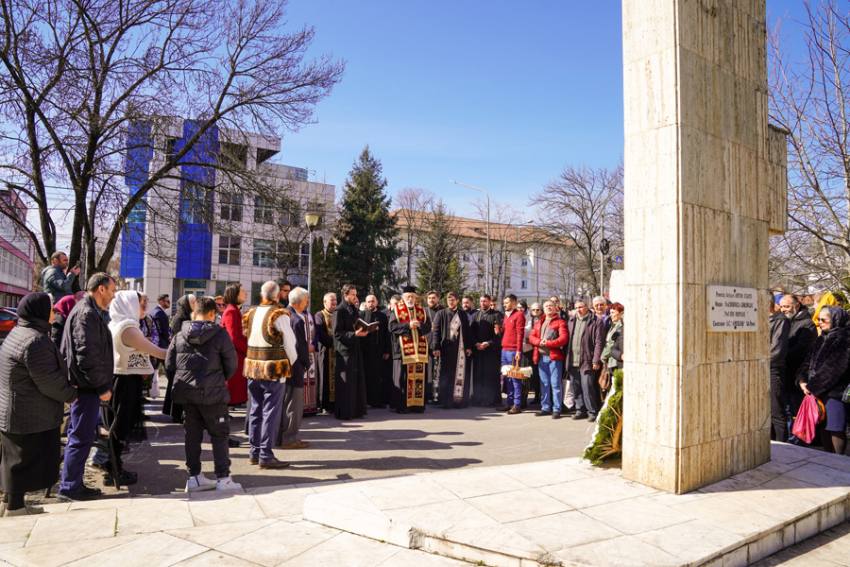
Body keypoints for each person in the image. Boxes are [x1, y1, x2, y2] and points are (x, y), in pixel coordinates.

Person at [0, 293, 77, 516]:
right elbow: (48, 381)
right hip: (29, 413)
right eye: (51, 309)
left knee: (13, 461)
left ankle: (12, 504)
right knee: (23, 463)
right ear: (40, 312)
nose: (55, 312)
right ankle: (15, 509)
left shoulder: (19, 332)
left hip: (15, 410)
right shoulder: (34, 340)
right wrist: (71, 395)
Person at [166, 296, 241, 492]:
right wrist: (219, 379)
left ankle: (194, 477)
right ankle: (223, 478)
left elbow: (169, 365)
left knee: (192, 435)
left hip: (187, 396)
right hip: (213, 394)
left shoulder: (179, 335)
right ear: (211, 314)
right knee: (220, 435)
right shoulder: (220, 334)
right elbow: (231, 363)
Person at [94, 291, 167, 486]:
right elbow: (155, 351)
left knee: (116, 426)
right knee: (120, 427)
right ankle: (113, 469)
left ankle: (113, 467)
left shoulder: (116, 323)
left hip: (120, 379)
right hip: (124, 383)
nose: (144, 308)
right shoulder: (128, 328)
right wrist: (176, 352)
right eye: (141, 304)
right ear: (130, 304)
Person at [58, 273, 116, 502]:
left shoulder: (89, 311)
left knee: (81, 435)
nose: (112, 295)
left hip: (87, 385)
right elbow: (86, 355)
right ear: (100, 289)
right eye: (111, 290)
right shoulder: (86, 314)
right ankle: (70, 487)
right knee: (80, 437)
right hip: (86, 387)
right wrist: (102, 386)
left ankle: (73, 483)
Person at [243, 281, 298, 469]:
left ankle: (254, 451)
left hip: (253, 368)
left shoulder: (251, 313)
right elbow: (290, 343)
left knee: (255, 410)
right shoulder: (278, 314)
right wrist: (291, 361)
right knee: (270, 412)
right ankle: (265, 454)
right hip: (273, 369)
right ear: (276, 296)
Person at [799, 306, 850, 455]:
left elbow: (834, 369)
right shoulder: (822, 338)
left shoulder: (844, 339)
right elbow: (807, 362)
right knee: (823, 426)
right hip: (817, 391)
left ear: (835, 320)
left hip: (835, 392)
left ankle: (839, 461)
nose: (819, 322)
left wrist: (813, 386)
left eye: (823, 320)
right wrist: (802, 379)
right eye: (818, 319)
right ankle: (826, 458)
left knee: (835, 427)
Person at [389, 287, 431, 413]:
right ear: (403, 297)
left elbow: (428, 327)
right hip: (403, 351)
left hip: (419, 351)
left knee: (418, 377)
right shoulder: (396, 310)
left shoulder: (421, 311)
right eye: (408, 297)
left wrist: (420, 326)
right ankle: (403, 406)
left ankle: (417, 405)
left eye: (412, 296)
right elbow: (391, 327)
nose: (410, 299)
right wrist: (408, 325)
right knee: (403, 378)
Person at [278, 287, 311, 449]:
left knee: (284, 402)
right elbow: (300, 347)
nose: (308, 303)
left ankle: (281, 436)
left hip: (283, 365)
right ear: (299, 302)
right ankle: (290, 438)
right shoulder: (296, 320)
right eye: (306, 300)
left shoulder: (284, 314)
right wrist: (306, 363)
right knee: (294, 405)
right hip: (295, 365)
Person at [332, 284, 369, 420]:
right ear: (345, 295)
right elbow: (337, 333)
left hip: (355, 349)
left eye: (355, 294)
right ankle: (345, 412)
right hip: (344, 351)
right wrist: (354, 334)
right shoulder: (339, 310)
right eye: (352, 294)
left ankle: (356, 410)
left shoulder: (353, 309)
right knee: (346, 383)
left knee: (356, 381)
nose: (355, 297)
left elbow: (357, 325)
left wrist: (365, 330)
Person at [431, 292, 472, 408]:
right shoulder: (441, 313)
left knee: (458, 375)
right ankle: (446, 401)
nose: (451, 302)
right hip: (445, 349)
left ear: (457, 301)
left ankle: (458, 401)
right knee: (445, 376)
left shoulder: (462, 314)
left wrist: (468, 347)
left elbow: (467, 332)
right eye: (449, 300)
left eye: (453, 300)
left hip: (460, 350)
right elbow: (436, 332)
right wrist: (436, 347)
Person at [566, 300, 605, 421]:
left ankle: (592, 411)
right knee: (575, 387)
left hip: (587, 360)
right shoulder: (572, 321)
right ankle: (580, 409)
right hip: (573, 359)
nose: (578, 309)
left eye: (581, 307)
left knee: (587, 387)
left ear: (587, 307)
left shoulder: (595, 321)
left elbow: (599, 342)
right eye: (576, 307)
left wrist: (596, 360)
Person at [529, 300, 569, 418]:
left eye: (551, 306)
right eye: (546, 306)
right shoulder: (539, 322)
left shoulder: (560, 322)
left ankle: (557, 409)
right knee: (544, 384)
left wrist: (549, 343)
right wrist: (539, 342)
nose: (548, 308)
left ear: (555, 308)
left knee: (555, 384)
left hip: (554, 358)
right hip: (541, 358)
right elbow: (531, 337)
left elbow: (564, 339)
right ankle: (545, 407)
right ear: (544, 309)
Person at [780, 294, 817, 420]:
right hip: (786, 373)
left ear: (796, 305)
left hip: (798, 376)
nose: (783, 309)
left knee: (796, 412)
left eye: (786, 306)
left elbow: (801, 349)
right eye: (781, 306)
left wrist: (780, 355)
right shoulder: (787, 321)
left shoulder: (807, 324)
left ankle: (797, 439)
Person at [163, 294, 195, 422]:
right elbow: (179, 338)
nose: (195, 305)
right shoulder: (179, 319)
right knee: (177, 386)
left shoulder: (188, 317)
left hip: (183, 357)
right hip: (178, 358)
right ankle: (175, 414)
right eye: (192, 303)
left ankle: (178, 413)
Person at [470, 295, 503, 407]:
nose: (483, 303)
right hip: (478, 350)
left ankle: (491, 400)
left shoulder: (496, 315)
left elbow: (498, 334)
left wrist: (488, 343)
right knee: (478, 374)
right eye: (481, 301)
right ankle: (478, 399)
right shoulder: (475, 315)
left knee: (490, 375)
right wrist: (476, 343)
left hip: (491, 350)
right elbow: (471, 332)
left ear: (490, 302)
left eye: (485, 301)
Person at [360, 294, 391, 408]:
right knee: (366, 376)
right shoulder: (361, 315)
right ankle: (366, 401)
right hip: (365, 351)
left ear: (377, 302)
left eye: (373, 301)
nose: (370, 303)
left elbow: (386, 335)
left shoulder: (382, 316)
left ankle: (377, 401)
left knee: (378, 376)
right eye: (368, 302)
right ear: (366, 303)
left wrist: (387, 350)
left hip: (378, 350)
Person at [221, 284, 248, 407]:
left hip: (237, 354)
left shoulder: (234, 309)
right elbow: (233, 338)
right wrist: (248, 350)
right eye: (242, 292)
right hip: (235, 355)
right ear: (235, 294)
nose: (245, 294)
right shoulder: (231, 311)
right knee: (232, 386)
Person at [768, 297, 791, 441]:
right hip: (761, 368)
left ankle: (783, 446)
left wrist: (759, 362)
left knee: (777, 412)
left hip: (773, 370)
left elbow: (777, 351)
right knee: (766, 412)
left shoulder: (780, 320)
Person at [500, 294, 525, 414]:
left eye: (507, 302)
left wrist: (519, 350)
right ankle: (509, 403)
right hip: (504, 349)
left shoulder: (519, 315)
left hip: (513, 350)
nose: (505, 304)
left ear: (514, 303)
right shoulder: (506, 315)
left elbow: (520, 334)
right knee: (507, 378)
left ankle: (517, 404)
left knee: (515, 378)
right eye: (504, 303)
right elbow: (505, 331)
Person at [315, 292, 337, 414]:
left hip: (337, 352)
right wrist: (333, 342)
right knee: (325, 377)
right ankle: (324, 404)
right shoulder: (319, 315)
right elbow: (320, 333)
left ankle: (335, 403)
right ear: (325, 302)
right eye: (331, 300)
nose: (334, 302)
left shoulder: (337, 314)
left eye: (335, 300)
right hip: (325, 351)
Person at [424, 290, 443, 403]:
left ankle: (439, 395)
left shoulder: (443, 311)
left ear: (438, 299)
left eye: (433, 298)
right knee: (428, 371)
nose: (431, 300)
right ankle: (428, 395)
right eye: (429, 298)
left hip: (440, 345)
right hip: (426, 344)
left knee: (439, 371)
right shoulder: (423, 311)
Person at [522, 302, 542, 407]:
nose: (535, 312)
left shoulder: (543, 320)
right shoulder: (528, 319)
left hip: (540, 350)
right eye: (533, 310)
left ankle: (540, 397)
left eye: (538, 310)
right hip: (530, 350)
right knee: (533, 374)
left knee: (540, 375)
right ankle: (536, 396)